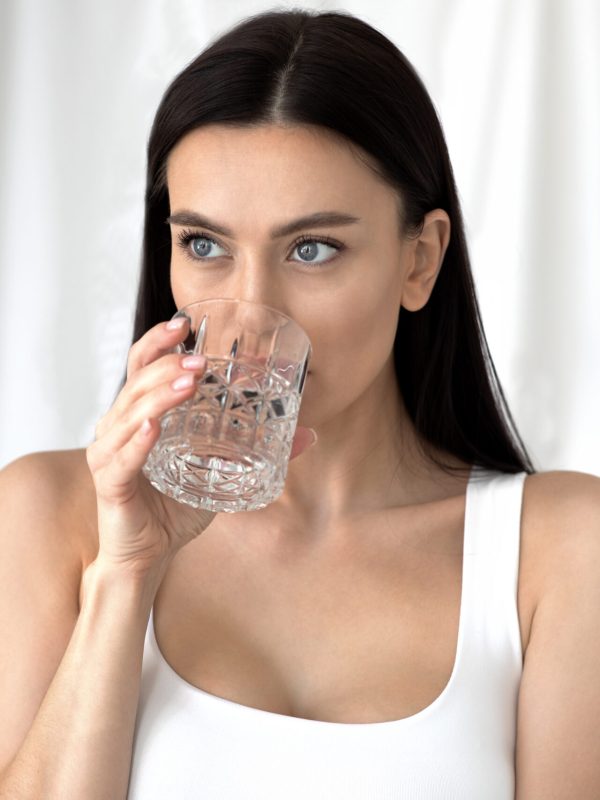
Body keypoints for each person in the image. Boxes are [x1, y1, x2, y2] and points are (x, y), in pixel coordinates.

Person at [1, 7, 598, 799]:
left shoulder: (557, 550)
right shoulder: (50, 513)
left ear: (420, 262)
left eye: (312, 249)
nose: (251, 314)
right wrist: (126, 574)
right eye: (204, 245)